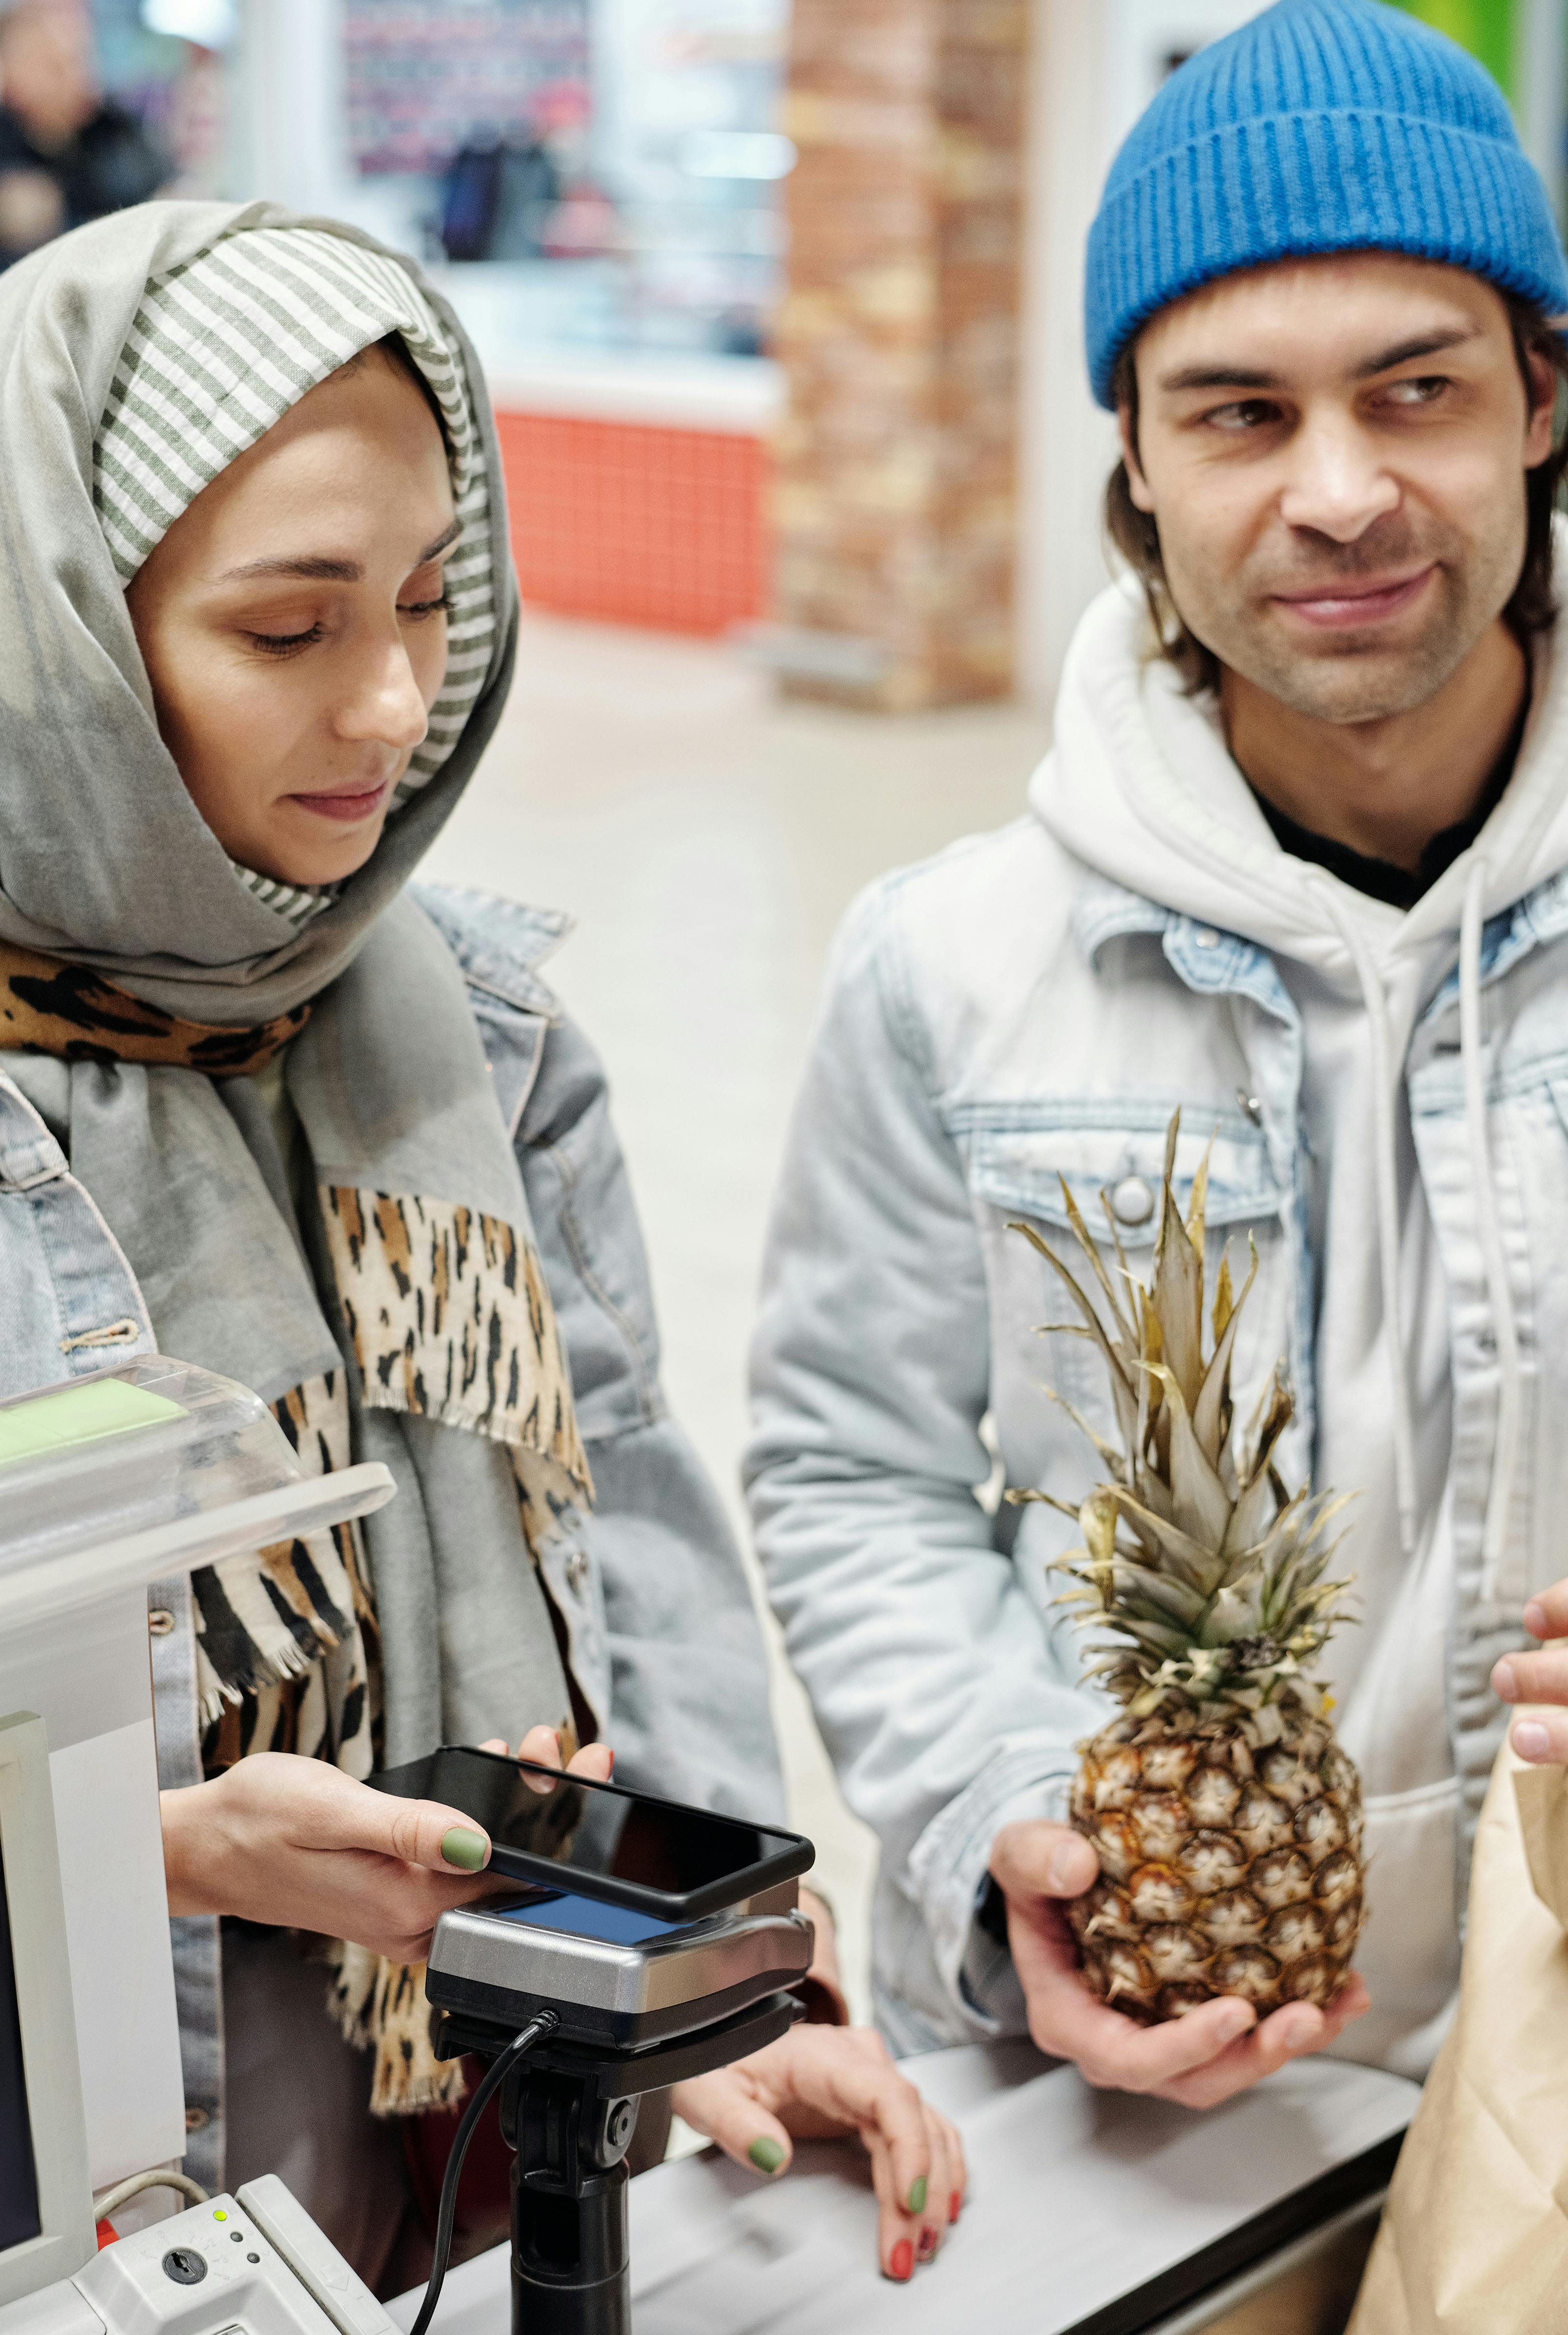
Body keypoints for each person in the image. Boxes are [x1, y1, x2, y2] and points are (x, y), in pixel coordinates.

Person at [0, 200, 960, 2289]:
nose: (392, 708)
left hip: (495, 2160)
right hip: (98, 2192)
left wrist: (728, 1981)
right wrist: (147, 1858)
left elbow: (627, 1515)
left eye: (435, 600)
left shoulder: (476, 1031)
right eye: (286, 629)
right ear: (60, 625)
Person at [747, 0, 1568, 2108]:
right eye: (1234, 413)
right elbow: (853, 1468)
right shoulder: (950, 957)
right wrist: (995, 1805)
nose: (1342, 493)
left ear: (1541, 400)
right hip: (1132, 2092)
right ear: (1129, 451)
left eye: (1417, 391)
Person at [0, 0, 169, 267]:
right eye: (56, 68)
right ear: (13, 76)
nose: (80, 78)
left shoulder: (115, 130)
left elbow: (165, 193)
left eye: (81, 60)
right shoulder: (9, 148)